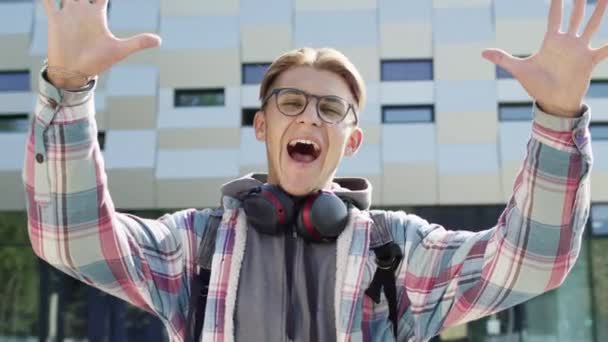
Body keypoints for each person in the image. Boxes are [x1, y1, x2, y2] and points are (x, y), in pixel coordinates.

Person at [24, 0, 599, 341]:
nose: (310, 118)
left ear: (351, 141)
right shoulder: (195, 243)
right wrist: (68, 91)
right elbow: (71, 240)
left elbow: (531, 262)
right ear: (263, 127)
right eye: (291, 103)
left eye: (331, 109)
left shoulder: (396, 248)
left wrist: (556, 118)